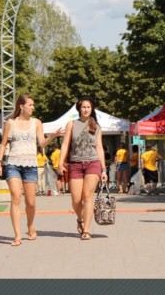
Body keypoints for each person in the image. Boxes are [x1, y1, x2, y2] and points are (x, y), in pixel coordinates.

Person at [0, 94, 62, 246]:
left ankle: (30, 226)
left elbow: (42, 144)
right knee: (16, 197)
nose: (33, 107)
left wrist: (52, 136)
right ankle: (17, 235)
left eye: (33, 105)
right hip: (13, 164)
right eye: (30, 105)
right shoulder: (10, 123)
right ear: (21, 106)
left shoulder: (36, 122)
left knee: (30, 202)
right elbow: (4, 144)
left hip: (30, 165)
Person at [56, 96, 108, 240]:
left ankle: (87, 230)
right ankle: (80, 218)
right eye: (83, 107)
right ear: (79, 109)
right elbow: (65, 144)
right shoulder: (71, 124)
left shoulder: (96, 126)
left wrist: (104, 169)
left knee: (87, 196)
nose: (86, 109)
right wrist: (60, 163)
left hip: (93, 163)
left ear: (92, 109)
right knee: (76, 200)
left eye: (88, 107)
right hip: (75, 164)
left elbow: (99, 148)